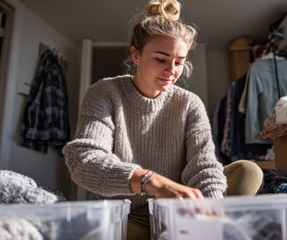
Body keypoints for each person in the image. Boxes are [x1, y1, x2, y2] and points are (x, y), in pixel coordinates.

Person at [62, 0, 264, 239]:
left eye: (179, 62)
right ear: (135, 55)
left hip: (182, 211)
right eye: (161, 59)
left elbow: (204, 165)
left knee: (248, 171)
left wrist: (212, 214)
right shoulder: (104, 92)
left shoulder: (189, 103)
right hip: (129, 214)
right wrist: (151, 181)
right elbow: (84, 160)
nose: (171, 70)